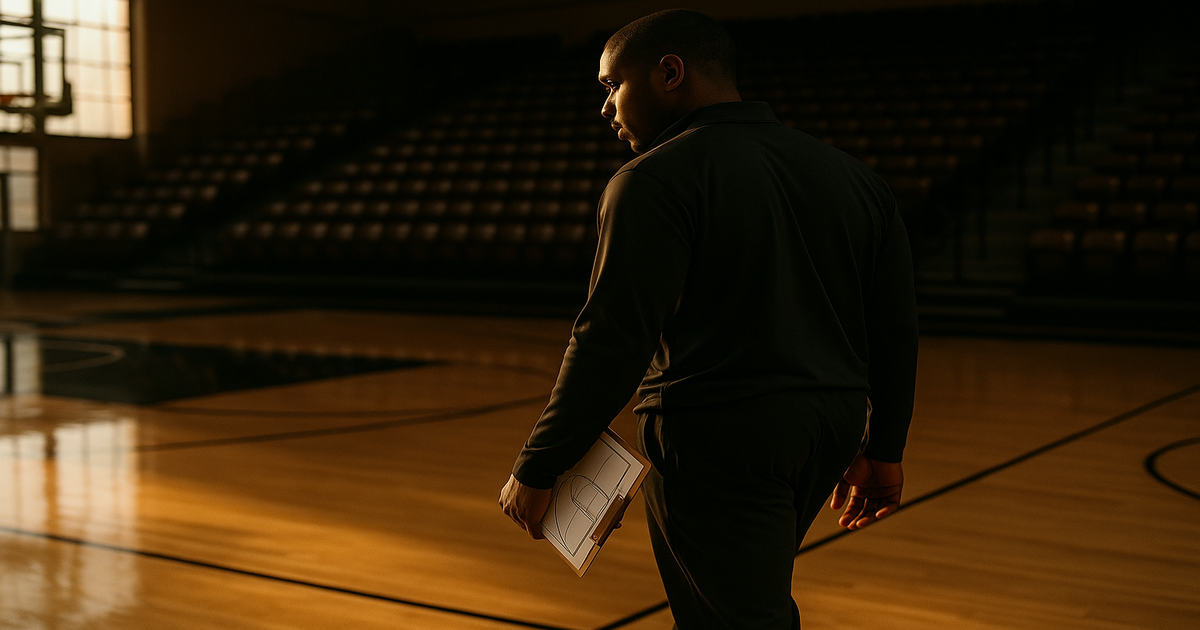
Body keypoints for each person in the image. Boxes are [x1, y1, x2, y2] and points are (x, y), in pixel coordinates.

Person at [499, 9, 918, 629]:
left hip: (715, 434)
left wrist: (539, 463)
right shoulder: (857, 179)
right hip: (828, 428)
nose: (606, 107)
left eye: (613, 85)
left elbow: (612, 338)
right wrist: (884, 448)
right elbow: (894, 327)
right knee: (733, 607)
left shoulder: (651, 181)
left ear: (670, 72)